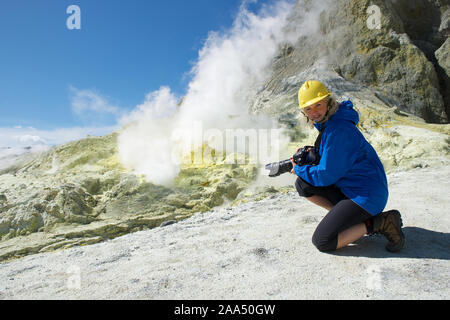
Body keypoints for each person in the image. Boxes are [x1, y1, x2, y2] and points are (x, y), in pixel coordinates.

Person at [290, 80, 405, 252]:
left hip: (366, 195)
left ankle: (381, 222)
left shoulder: (338, 129)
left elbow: (326, 175)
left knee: (323, 241)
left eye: (318, 105)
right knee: (303, 184)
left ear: (329, 102)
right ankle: (350, 221)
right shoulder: (330, 124)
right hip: (351, 188)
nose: (313, 112)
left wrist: (298, 168)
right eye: (308, 109)